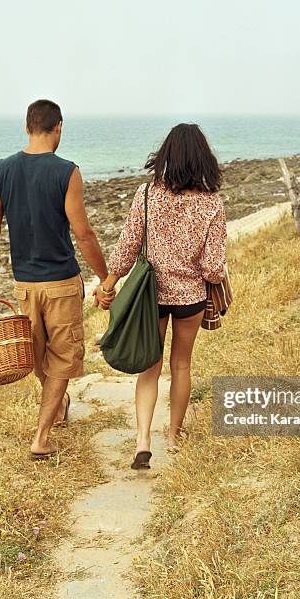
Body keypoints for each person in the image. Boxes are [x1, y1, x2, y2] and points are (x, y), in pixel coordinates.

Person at [0, 99, 114, 460]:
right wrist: (105, 276)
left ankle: (55, 407)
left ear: (27, 127)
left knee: (38, 357)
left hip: (24, 285)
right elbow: (83, 234)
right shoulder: (67, 172)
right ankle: (41, 436)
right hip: (63, 282)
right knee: (61, 358)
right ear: (59, 127)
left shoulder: (1, 170)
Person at [98, 123, 227, 469]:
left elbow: (128, 245)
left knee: (149, 369)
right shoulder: (212, 204)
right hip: (191, 298)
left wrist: (109, 282)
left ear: (166, 155)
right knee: (181, 365)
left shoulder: (146, 195)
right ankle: (174, 436)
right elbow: (214, 268)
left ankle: (143, 440)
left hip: (149, 297)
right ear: (203, 158)